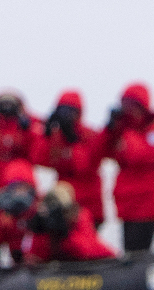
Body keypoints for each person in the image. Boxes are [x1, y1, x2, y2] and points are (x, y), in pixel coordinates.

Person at [106, 82, 154, 253]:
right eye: (124, 104)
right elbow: (102, 151)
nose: (126, 110)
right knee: (131, 251)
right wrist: (110, 128)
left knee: (139, 252)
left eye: (130, 105)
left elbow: (137, 155)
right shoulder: (124, 131)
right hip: (128, 207)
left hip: (146, 207)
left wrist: (125, 130)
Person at [33, 90, 108, 227]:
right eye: (62, 111)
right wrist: (47, 134)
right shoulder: (56, 136)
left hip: (89, 204)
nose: (66, 116)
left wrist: (73, 140)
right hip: (64, 203)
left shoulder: (90, 135)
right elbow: (39, 159)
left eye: (70, 111)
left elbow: (83, 166)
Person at [23, 183, 117, 263]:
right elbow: (36, 257)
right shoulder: (44, 220)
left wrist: (65, 236)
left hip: (90, 265)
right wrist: (43, 231)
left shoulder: (80, 217)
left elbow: (87, 250)